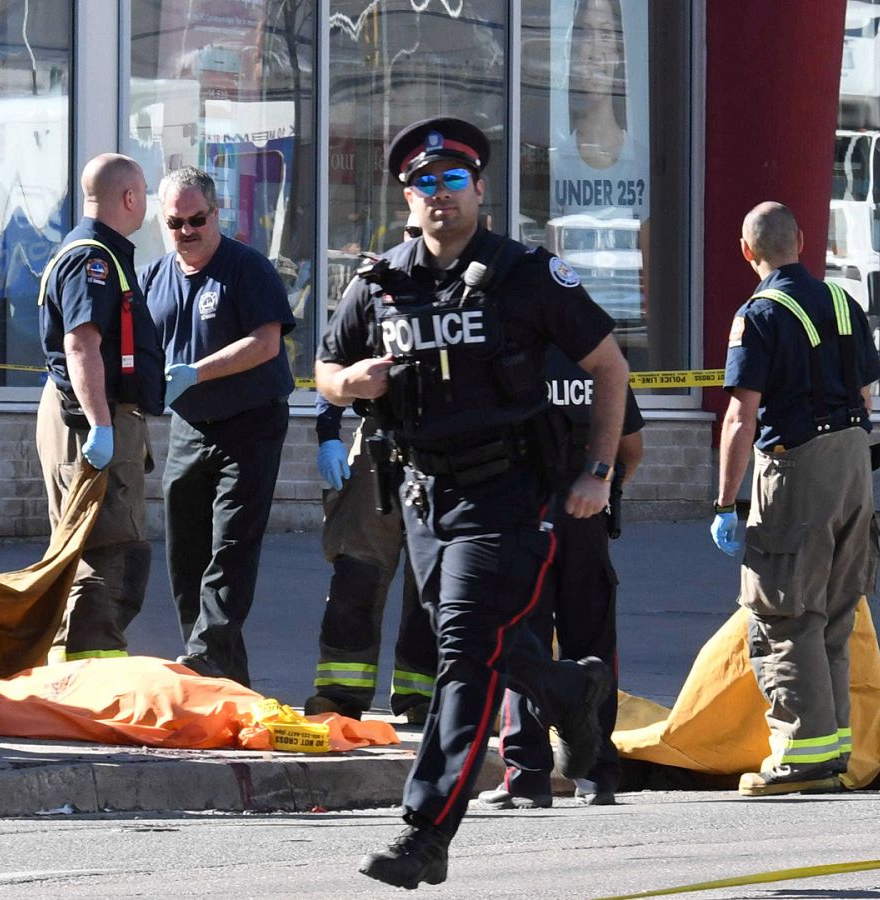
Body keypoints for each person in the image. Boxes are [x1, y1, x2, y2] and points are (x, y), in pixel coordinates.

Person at [319, 117, 627, 889]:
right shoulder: (378, 282)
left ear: (480, 190)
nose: (440, 196)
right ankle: (569, 689)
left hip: (510, 495)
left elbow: (610, 367)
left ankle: (424, 833)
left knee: (461, 652)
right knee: (485, 643)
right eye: (426, 184)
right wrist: (350, 385)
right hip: (423, 498)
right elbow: (325, 366)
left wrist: (597, 472)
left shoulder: (526, 274)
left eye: (454, 181)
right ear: (406, 196)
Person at [712, 201, 880, 797]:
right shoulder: (844, 301)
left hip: (797, 469)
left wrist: (724, 502)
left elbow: (741, 415)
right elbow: (863, 388)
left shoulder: (757, 313)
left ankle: (801, 759)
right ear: (803, 241)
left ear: (745, 250)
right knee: (835, 612)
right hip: (855, 462)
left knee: (784, 613)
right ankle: (832, 749)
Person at [141, 165, 296, 688]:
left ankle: (207, 653)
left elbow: (266, 342)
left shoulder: (246, 268)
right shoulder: (156, 276)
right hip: (190, 426)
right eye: (175, 222)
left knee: (230, 544)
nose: (186, 232)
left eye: (196, 220)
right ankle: (219, 676)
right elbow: (143, 348)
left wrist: (195, 372)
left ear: (217, 213)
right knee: (185, 550)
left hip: (250, 422)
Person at [479, 349, 645, 809]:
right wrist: (600, 490)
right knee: (592, 642)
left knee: (522, 640)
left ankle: (527, 776)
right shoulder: (595, 361)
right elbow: (632, 450)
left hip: (520, 519)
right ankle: (597, 774)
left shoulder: (500, 355)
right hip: (585, 515)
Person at [35, 153, 165, 662]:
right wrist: (102, 426)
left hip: (88, 411)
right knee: (110, 545)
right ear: (130, 197)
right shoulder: (94, 258)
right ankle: (90, 667)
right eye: (145, 193)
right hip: (90, 414)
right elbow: (82, 345)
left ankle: (80, 659)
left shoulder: (86, 250)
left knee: (93, 539)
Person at [304, 397, 437, 722]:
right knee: (357, 573)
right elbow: (334, 366)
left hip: (449, 440)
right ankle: (339, 695)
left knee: (434, 579)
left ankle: (425, 694)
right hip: (381, 435)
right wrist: (329, 434)